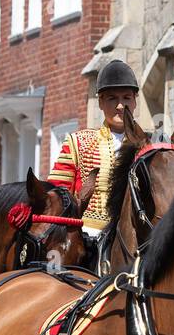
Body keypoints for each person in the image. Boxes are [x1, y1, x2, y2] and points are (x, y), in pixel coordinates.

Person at [47, 60, 139, 234]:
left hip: (134, 234)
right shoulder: (78, 142)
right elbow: (56, 196)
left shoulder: (150, 145)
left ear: (134, 101)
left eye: (126, 97)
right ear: (101, 103)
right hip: (88, 234)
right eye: (112, 98)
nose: (120, 106)